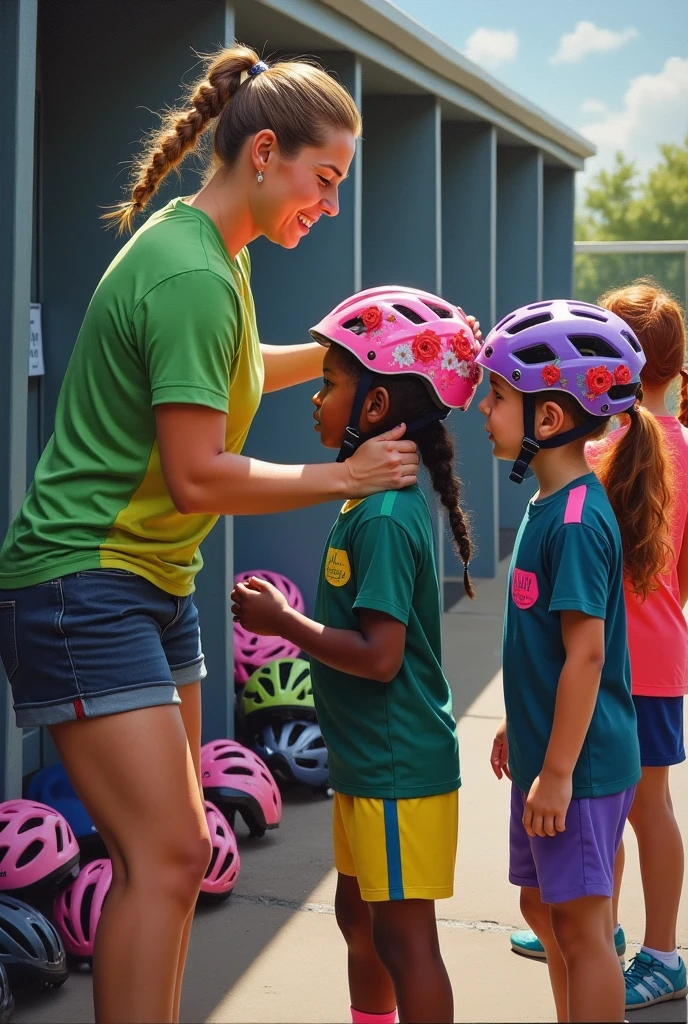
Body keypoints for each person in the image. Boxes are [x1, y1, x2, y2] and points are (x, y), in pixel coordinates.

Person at [0, 47, 423, 1024]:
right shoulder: (189, 271)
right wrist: (344, 475)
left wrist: (364, 341)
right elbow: (198, 474)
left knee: (177, 853)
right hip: (82, 581)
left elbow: (241, 372)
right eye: (325, 180)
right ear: (265, 152)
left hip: (150, 582)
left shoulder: (214, 258)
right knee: (169, 852)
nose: (330, 204)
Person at [232, 286, 481, 1024]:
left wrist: (285, 623)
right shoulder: (370, 499)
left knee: (405, 942)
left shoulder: (381, 514)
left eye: (331, 382)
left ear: (376, 408)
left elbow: (380, 657)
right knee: (357, 916)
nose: (316, 397)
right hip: (371, 761)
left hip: (398, 766)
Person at [478, 299, 672, 1023]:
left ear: (550, 419)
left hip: (580, 772)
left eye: (497, 397)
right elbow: (544, 649)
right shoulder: (544, 505)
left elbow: (587, 657)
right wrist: (517, 727)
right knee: (546, 910)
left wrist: (557, 771)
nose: (484, 409)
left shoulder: (579, 520)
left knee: (586, 931)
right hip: (547, 760)